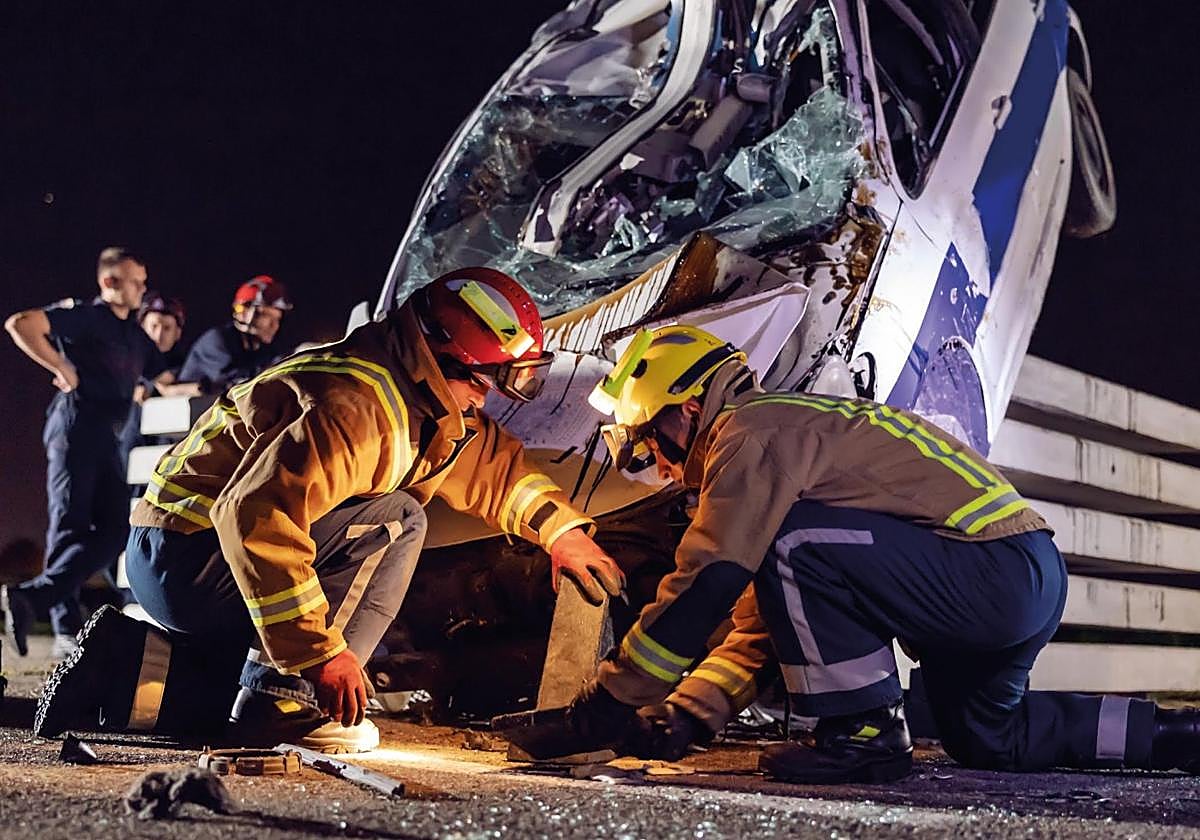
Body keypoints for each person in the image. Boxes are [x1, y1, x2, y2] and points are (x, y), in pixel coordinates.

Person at [498, 324, 1200, 781]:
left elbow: (707, 584)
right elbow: (762, 625)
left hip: (990, 575)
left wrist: (607, 706)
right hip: (1022, 573)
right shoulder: (791, 432)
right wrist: (684, 716)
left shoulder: (748, 433)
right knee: (993, 738)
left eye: (649, 437)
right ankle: (1177, 737)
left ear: (687, 408)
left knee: (795, 542)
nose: (652, 460)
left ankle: (862, 732)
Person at [35, 267, 625, 753]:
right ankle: (285, 703)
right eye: (490, 378)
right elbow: (256, 516)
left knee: (236, 689)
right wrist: (319, 656)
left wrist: (562, 531)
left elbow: (492, 470)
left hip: (180, 556)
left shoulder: (416, 396)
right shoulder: (356, 405)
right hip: (194, 557)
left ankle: (118, 666)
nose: (495, 395)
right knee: (397, 519)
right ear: (443, 357)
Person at [3, 248, 166, 659]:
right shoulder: (88, 316)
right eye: (135, 281)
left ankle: (31, 601)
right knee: (70, 526)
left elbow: (166, 375)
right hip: (74, 430)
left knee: (117, 530)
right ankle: (64, 628)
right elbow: (21, 324)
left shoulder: (133, 335)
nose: (142, 289)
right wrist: (60, 365)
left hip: (108, 439)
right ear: (110, 283)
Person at [119, 292, 198, 469]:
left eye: (167, 328)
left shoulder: (186, 366)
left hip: (165, 452)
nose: (159, 334)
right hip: (125, 448)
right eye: (153, 326)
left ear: (178, 333)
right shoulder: (124, 360)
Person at [176, 275, 290, 394]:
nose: (274, 325)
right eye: (267, 316)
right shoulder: (217, 341)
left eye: (277, 319)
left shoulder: (261, 350)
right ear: (243, 312)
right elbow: (236, 383)